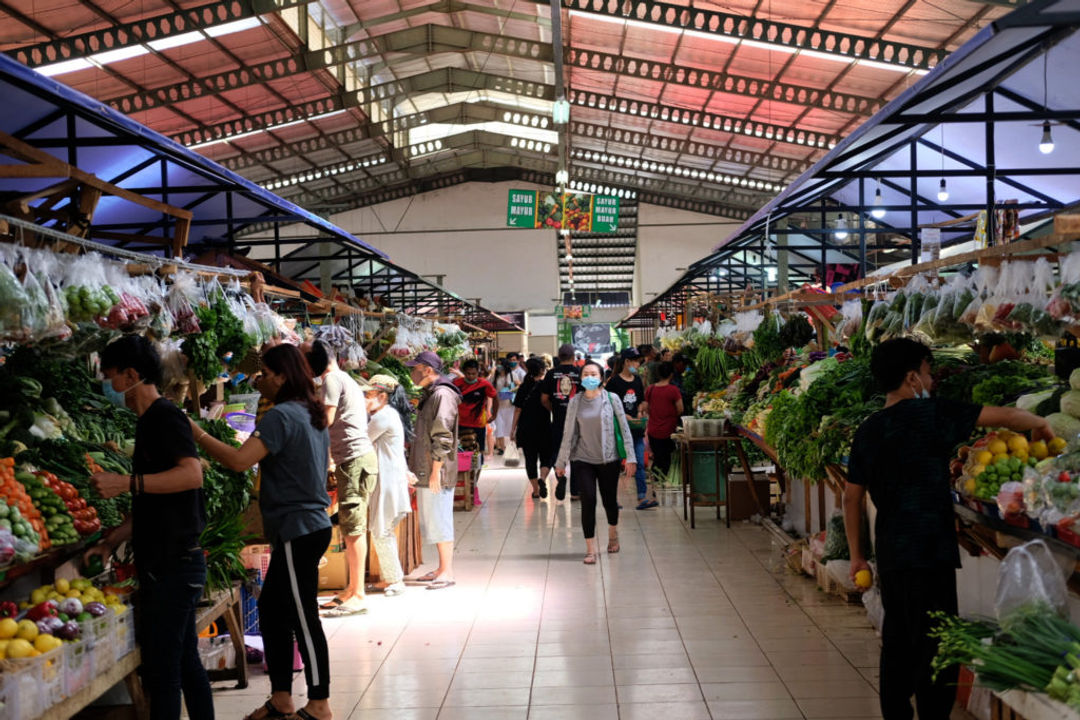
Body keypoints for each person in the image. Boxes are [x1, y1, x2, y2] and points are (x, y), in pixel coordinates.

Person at [844, 338, 1054, 720]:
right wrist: (1041, 423)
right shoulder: (933, 415)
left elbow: (850, 498)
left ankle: (896, 714)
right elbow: (1005, 417)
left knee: (897, 641)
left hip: (891, 551)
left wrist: (857, 554)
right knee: (935, 647)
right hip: (930, 551)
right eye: (927, 373)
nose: (932, 381)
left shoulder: (868, 430)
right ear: (912, 377)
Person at [188, 344, 334, 720]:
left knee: (303, 616)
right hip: (307, 526)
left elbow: (239, 461)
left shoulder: (282, 416)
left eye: (265, 374)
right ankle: (282, 697)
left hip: (297, 529)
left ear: (282, 376)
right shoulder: (309, 411)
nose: (259, 381)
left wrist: (196, 434)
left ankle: (319, 704)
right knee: (272, 609)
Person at [87, 336, 212, 720]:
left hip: (176, 565)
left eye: (110, 376)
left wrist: (125, 483)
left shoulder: (165, 417)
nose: (108, 384)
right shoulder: (148, 422)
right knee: (186, 661)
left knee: (163, 670)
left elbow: (192, 475)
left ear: (131, 375)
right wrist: (110, 543)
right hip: (168, 563)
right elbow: (149, 506)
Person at [305, 340, 378, 617]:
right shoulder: (344, 377)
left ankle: (358, 593)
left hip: (354, 459)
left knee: (354, 527)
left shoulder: (332, 379)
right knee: (350, 527)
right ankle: (351, 588)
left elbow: (326, 419)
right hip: (355, 459)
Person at [554, 361, 636, 564]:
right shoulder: (575, 401)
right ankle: (590, 549)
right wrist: (561, 462)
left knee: (609, 501)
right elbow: (568, 432)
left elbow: (625, 429)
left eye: (593, 374)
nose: (589, 377)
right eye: (585, 374)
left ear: (601, 378)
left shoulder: (612, 399)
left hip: (609, 459)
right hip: (582, 459)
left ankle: (613, 533)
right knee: (588, 500)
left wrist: (631, 457)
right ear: (580, 379)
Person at [406, 351, 461, 590]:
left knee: (440, 519)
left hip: (436, 469)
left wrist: (436, 469)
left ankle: (447, 571)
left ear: (427, 369)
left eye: (415, 368)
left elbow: (443, 433)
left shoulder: (443, 395)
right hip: (428, 468)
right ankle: (441, 567)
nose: (412, 373)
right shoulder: (433, 394)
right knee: (434, 519)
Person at [363, 374, 414, 597]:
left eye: (368, 395)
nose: (364, 399)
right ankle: (390, 577)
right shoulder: (389, 413)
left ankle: (395, 580)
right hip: (390, 478)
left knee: (381, 530)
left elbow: (361, 440)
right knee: (382, 530)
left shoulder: (382, 417)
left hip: (388, 480)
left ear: (382, 396)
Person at [606, 348, 650, 507]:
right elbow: (607, 404)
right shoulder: (614, 382)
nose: (638, 364)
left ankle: (642, 497)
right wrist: (622, 416)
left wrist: (639, 411)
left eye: (639, 361)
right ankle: (611, 499)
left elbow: (641, 401)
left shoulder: (637, 380)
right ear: (626, 362)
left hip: (636, 429)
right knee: (615, 466)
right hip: (618, 432)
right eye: (635, 361)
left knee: (638, 462)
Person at [541, 344, 582, 500]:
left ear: (558, 357)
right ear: (573, 357)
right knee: (577, 455)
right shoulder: (579, 373)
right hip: (578, 421)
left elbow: (544, 399)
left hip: (558, 420)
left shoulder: (551, 374)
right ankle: (575, 492)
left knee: (558, 452)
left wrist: (554, 409)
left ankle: (561, 478)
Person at [454, 358, 497, 506]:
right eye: (468, 374)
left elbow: (494, 396)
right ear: (464, 373)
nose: (471, 376)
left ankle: (474, 484)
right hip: (460, 425)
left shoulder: (484, 384)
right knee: (460, 456)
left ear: (477, 373)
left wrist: (494, 414)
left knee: (477, 457)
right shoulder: (456, 384)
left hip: (478, 425)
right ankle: (462, 484)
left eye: (473, 374)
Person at [512, 356, 552, 499]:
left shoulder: (524, 386)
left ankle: (535, 490)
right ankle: (543, 478)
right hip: (544, 427)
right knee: (546, 457)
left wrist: (513, 430)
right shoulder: (546, 386)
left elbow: (518, 410)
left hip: (526, 428)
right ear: (542, 369)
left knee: (530, 460)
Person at [644, 361, 683, 501]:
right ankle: (662, 486)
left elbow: (647, 408)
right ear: (671, 374)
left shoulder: (651, 389)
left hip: (653, 430)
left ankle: (656, 486)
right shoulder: (673, 390)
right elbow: (680, 409)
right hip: (668, 430)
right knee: (666, 459)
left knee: (658, 458)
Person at [492, 360, 516, 457]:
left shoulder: (511, 375)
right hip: (498, 405)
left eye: (500, 365)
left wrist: (510, 390)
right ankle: (501, 447)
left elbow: (519, 384)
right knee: (499, 427)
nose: (498, 367)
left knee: (509, 426)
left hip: (509, 405)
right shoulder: (495, 376)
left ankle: (510, 446)